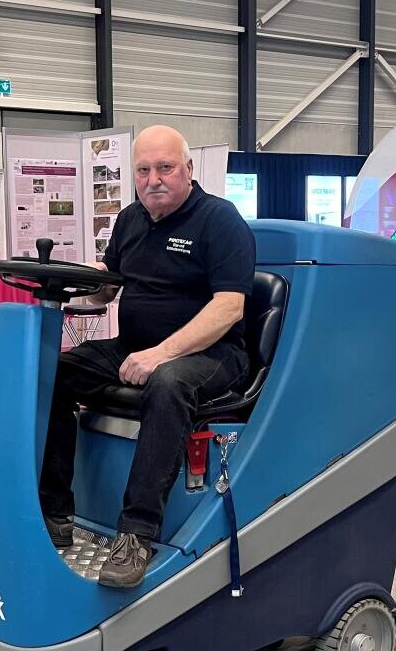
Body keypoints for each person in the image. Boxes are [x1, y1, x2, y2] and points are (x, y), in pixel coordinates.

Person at [39, 125, 255, 588]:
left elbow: (229, 307)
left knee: (169, 382)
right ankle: (56, 510)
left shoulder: (220, 220)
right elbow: (106, 291)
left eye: (165, 167)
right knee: (52, 374)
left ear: (188, 169)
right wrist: (81, 281)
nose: (154, 178)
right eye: (143, 170)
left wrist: (160, 353)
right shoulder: (129, 221)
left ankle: (136, 533)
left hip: (213, 353)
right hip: (136, 345)